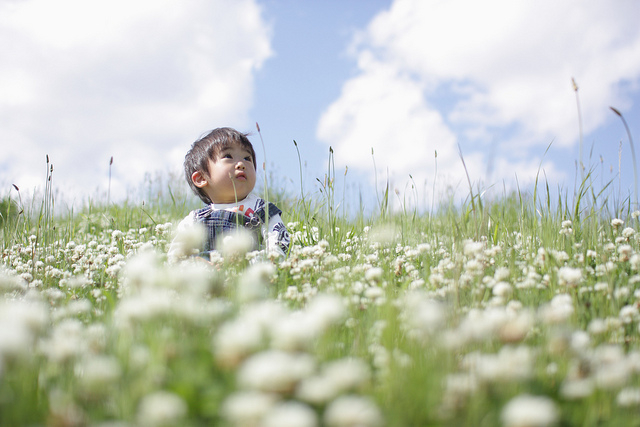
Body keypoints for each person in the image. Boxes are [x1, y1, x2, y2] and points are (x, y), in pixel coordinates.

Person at [169, 127, 290, 261]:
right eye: (228, 156)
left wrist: (262, 263)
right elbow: (176, 255)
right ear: (201, 178)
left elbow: (279, 242)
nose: (241, 164)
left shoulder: (261, 209)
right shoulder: (195, 220)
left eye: (247, 158)